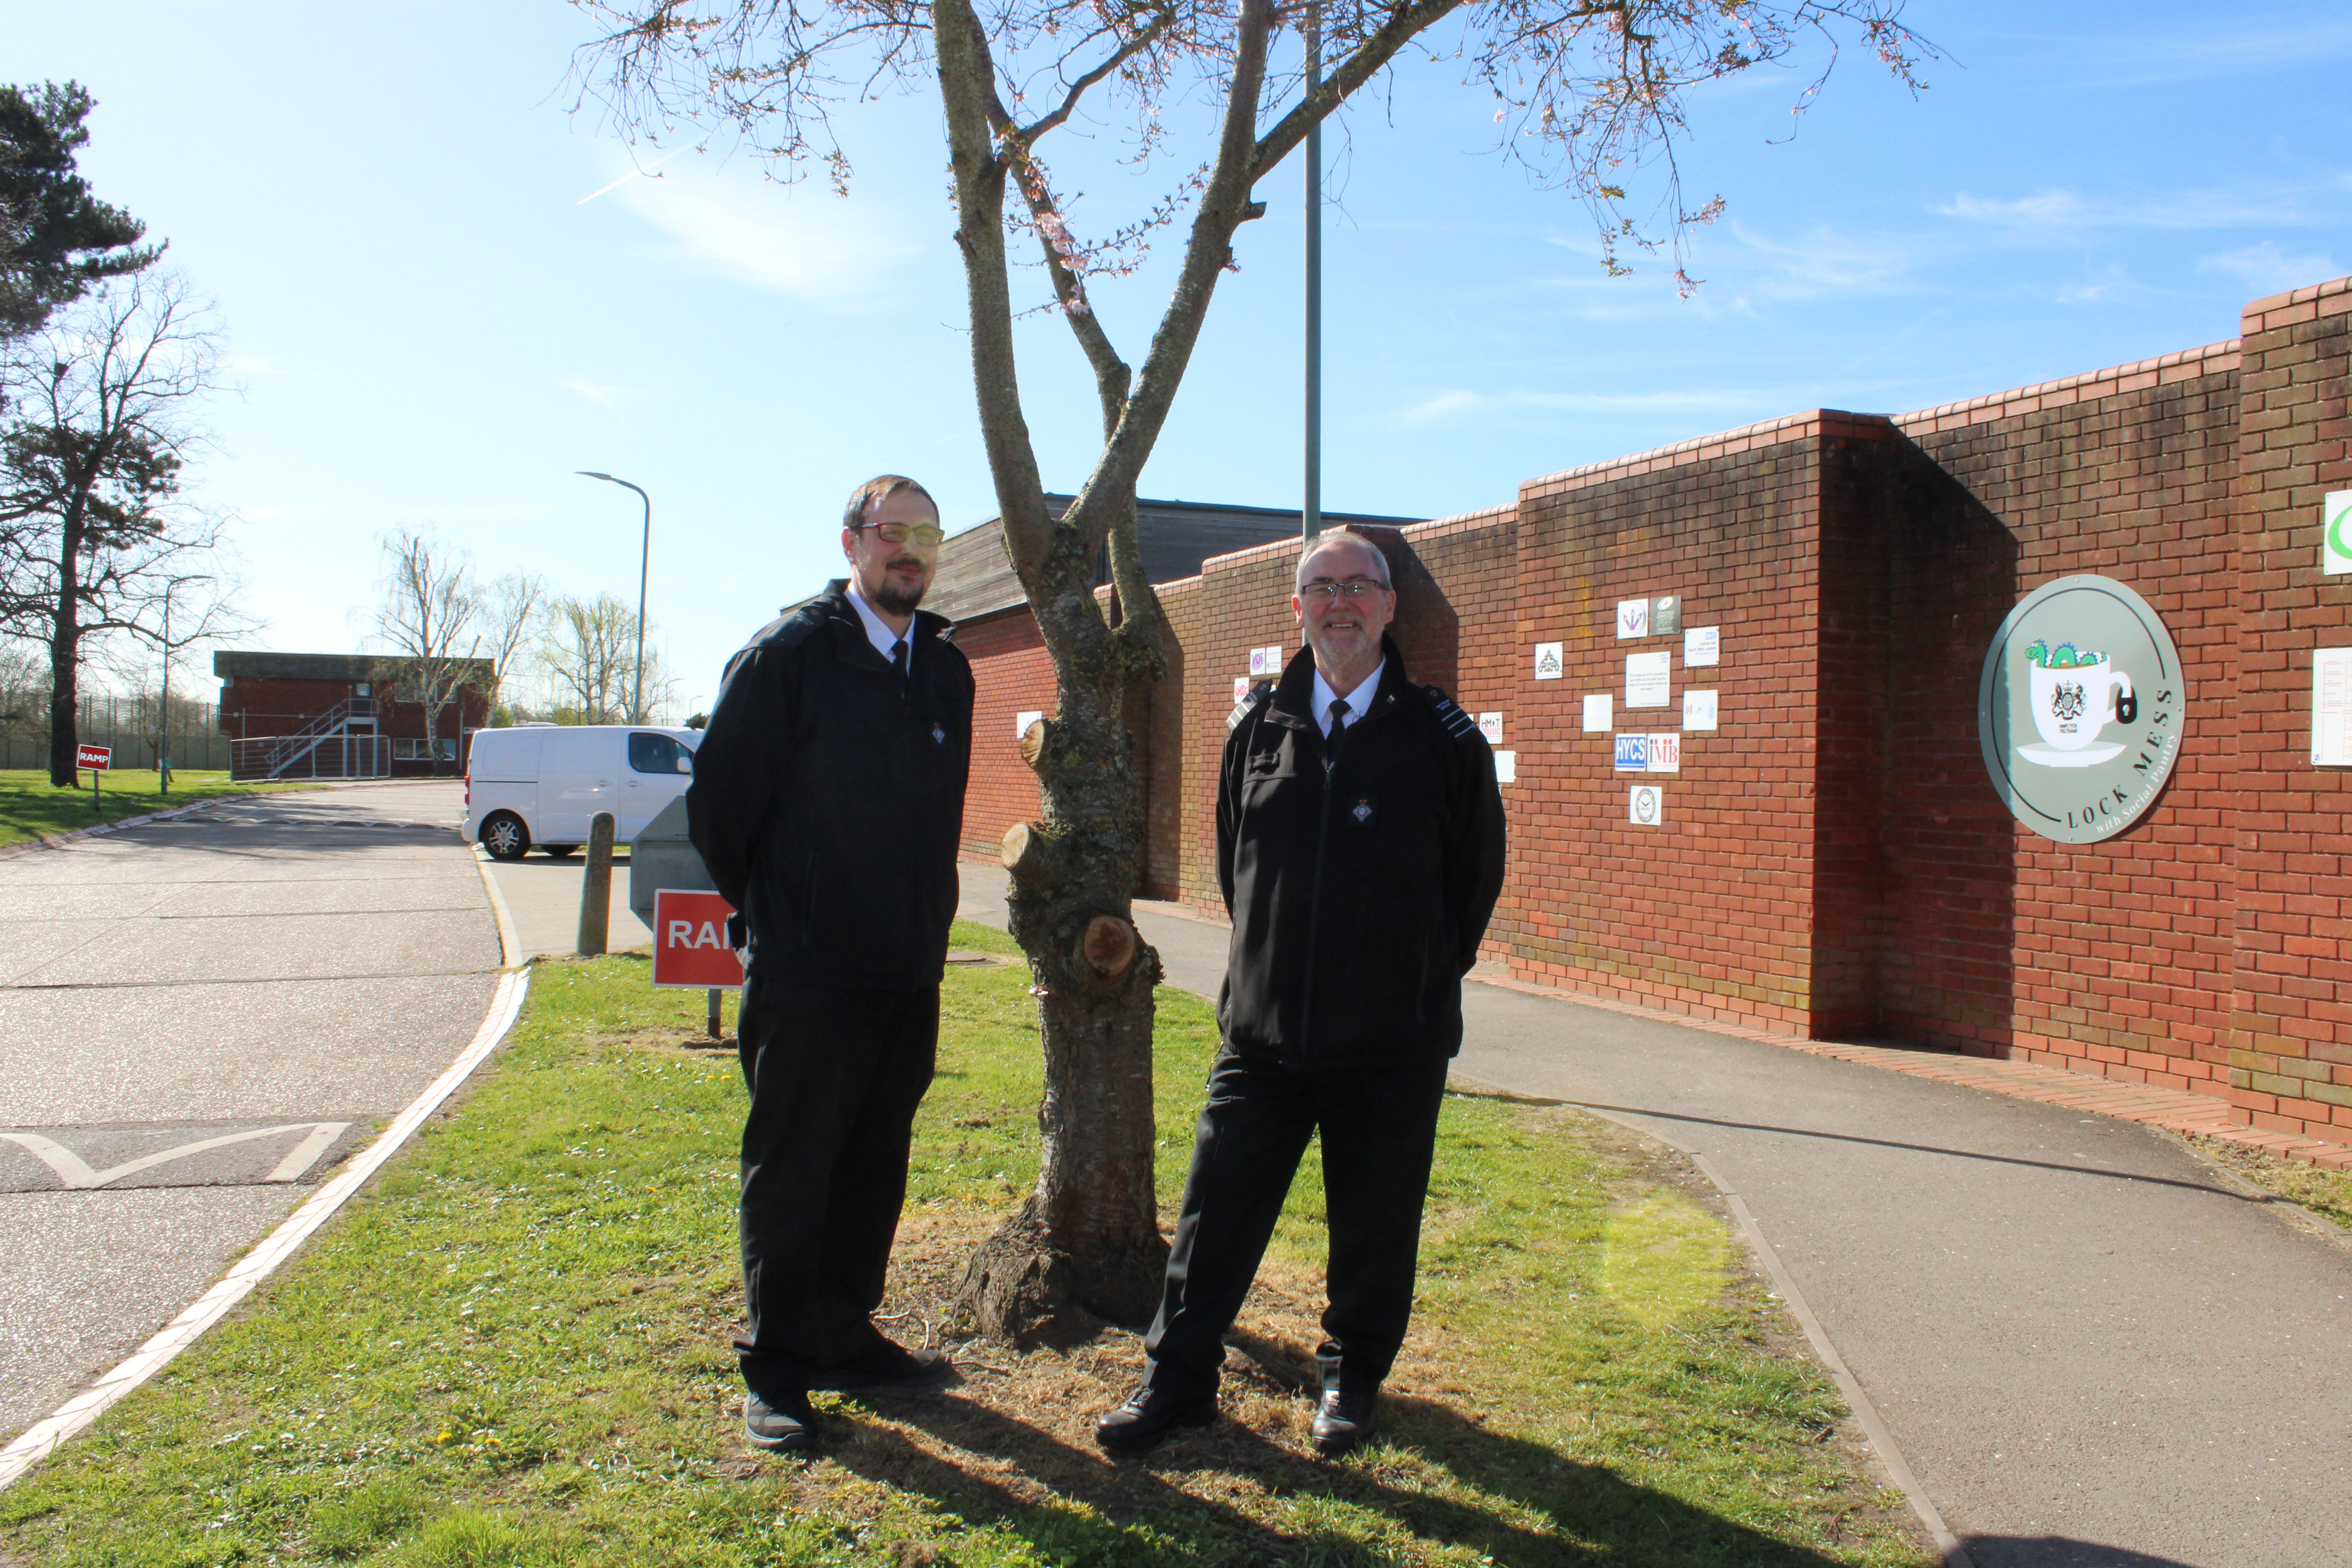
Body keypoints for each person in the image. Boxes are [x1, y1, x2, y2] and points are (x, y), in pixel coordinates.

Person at [1094, 527, 1507, 1459]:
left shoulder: (1443, 737)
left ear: (1391, 605)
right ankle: (1176, 1380)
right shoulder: (1259, 726)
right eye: (1322, 588)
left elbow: (1472, 881)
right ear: (1298, 608)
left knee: (1375, 1222)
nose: (1342, 603)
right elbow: (1239, 865)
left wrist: (1418, 974)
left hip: (1391, 1040)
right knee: (1215, 1211)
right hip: (1265, 1035)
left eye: (1361, 586)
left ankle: (1352, 1379)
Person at [687, 473, 975, 1452]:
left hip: (907, 968)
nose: (909, 550)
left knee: (874, 1161)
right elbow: (721, 812)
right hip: (809, 970)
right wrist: (780, 915)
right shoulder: (789, 657)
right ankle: (775, 1366)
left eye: (924, 534)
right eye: (890, 532)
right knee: (794, 1167)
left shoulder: (946, 669)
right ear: (851, 542)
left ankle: (843, 1333)